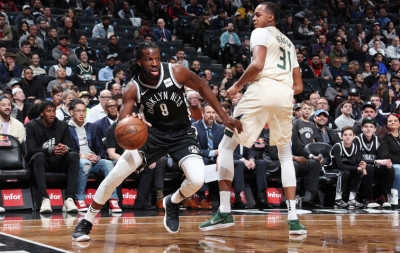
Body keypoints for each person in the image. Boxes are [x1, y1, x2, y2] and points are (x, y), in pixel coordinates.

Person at [71, 42, 241, 241]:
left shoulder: (176, 72)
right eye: (149, 59)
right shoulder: (133, 88)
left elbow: (203, 86)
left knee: (197, 179)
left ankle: (172, 201)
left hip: (182, 134)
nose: (154, 63)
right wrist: (133, 121)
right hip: (152, 135)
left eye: (157, 59)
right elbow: (121, 125)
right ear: (139, 62)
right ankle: (87, 220)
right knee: (115, 175)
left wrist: (225, 116)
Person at [199, 2, 305, 234]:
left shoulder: (260, 32)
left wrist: (237, 86)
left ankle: (225, 212)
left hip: (261, 91)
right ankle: (294, 218)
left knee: (226, 147)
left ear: (271, 18)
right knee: (285, 155)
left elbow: (257, 64)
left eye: (258, 14)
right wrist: (279, 90)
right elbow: (298, 86)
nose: (253, 19)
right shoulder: (290, 43)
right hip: (286, 95)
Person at [26, 101, 79, 213]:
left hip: (58, 160)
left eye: (54, 110)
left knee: (74, 156)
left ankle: (69, 198)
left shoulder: (63, 125)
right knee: (39, 156)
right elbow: (31, 151)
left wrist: (65, 148)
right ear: (41, 113)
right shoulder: (32, 126)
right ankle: (44, 198)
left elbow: (71, 147)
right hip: (41, 162)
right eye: (48, 111)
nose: (52, 114)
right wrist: (50, 149)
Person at [354, 117, 394, 209]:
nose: (368, 129)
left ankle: (383, 197)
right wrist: (376, 161)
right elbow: (358, 159)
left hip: (373, 167)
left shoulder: (378, 140)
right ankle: (367, 198)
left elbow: (382, 156)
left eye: (371, 127)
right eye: (366, 126)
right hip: (360, 167)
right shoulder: (356, 140)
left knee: (390, 169)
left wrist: (387, 162)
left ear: (375, 129)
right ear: (362, 128)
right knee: (369, 167)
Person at [329, 126, 366, 209]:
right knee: (344, 173)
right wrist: (357, 168)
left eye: (350, 135)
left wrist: (362, 166)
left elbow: (356, 162)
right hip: (330, 169)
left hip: (345, 169)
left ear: (354, 136)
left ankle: (351, 199)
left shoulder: (355, 147)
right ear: (341, 136)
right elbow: (340, 165)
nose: (348, 137)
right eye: (345, 135)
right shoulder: (337, 146)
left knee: (356, 172)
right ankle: (338, 199)